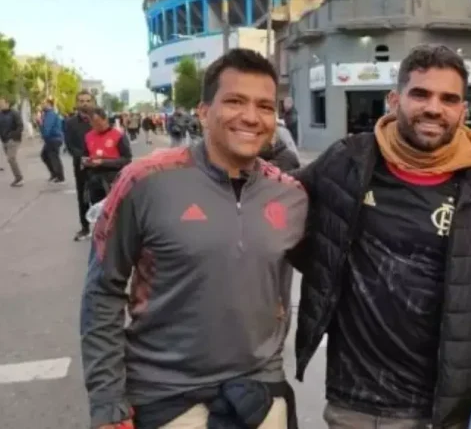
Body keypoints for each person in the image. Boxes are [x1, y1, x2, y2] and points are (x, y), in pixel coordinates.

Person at [291, 44, 471, 428]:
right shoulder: (347, 160)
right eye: (421, 94)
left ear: (463, 111)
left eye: (449, 99)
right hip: (353, 401)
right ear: (394, 99)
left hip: (438, 408)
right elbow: (282, 209)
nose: (434, 108)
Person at [80, 48, 308, 429]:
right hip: (164, 397)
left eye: (265, 106)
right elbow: (102, 292)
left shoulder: (292, 195)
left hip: (262, 394)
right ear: (203, 112)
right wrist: (108, 403)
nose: (251, 117)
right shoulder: (144, 181)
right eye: (235, 101)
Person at [66, 90, 99, 241]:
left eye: (87, 100)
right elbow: (70, 145)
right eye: (81, 101)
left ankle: (103, 227)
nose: (84, 103)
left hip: (101, 164)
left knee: (101, 195)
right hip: (81, 165)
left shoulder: (99, 119)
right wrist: (83, 158)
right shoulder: (70, 123)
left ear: (92, 102)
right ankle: (85, 228)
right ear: (77, 103)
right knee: (83, 196)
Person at [82, 108, 133, 205]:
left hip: (113, 180)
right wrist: (86, 162)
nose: (95, 126)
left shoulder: (118, 135)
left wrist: (103, 162)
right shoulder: (88, 136)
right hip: (94, 180)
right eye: (92, 123)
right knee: (97, 212)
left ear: (105, 119)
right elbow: (85, 155)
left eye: (97, 122)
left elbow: (127, 159)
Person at [40, 98, 65, 183]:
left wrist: (44, 136)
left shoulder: (50, 114)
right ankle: (55, 174)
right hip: (52, 138)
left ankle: (59, 176)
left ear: (49, 104)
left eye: (44, 103)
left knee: (53, 157)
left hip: (53, 138)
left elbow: (47, 127)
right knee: (44, 155)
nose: (42, 105)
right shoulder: (48, 114)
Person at [0, 97, 24, 187]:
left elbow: (20, 126)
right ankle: (18, 177)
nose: (0, 105)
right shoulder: (0, 114)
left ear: (7, 104)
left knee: (11, 158)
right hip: (4, 140)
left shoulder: (14, 113)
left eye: (2, 103)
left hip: (13, 140)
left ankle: (19, 178)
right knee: (11, 160)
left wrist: (12, 136)